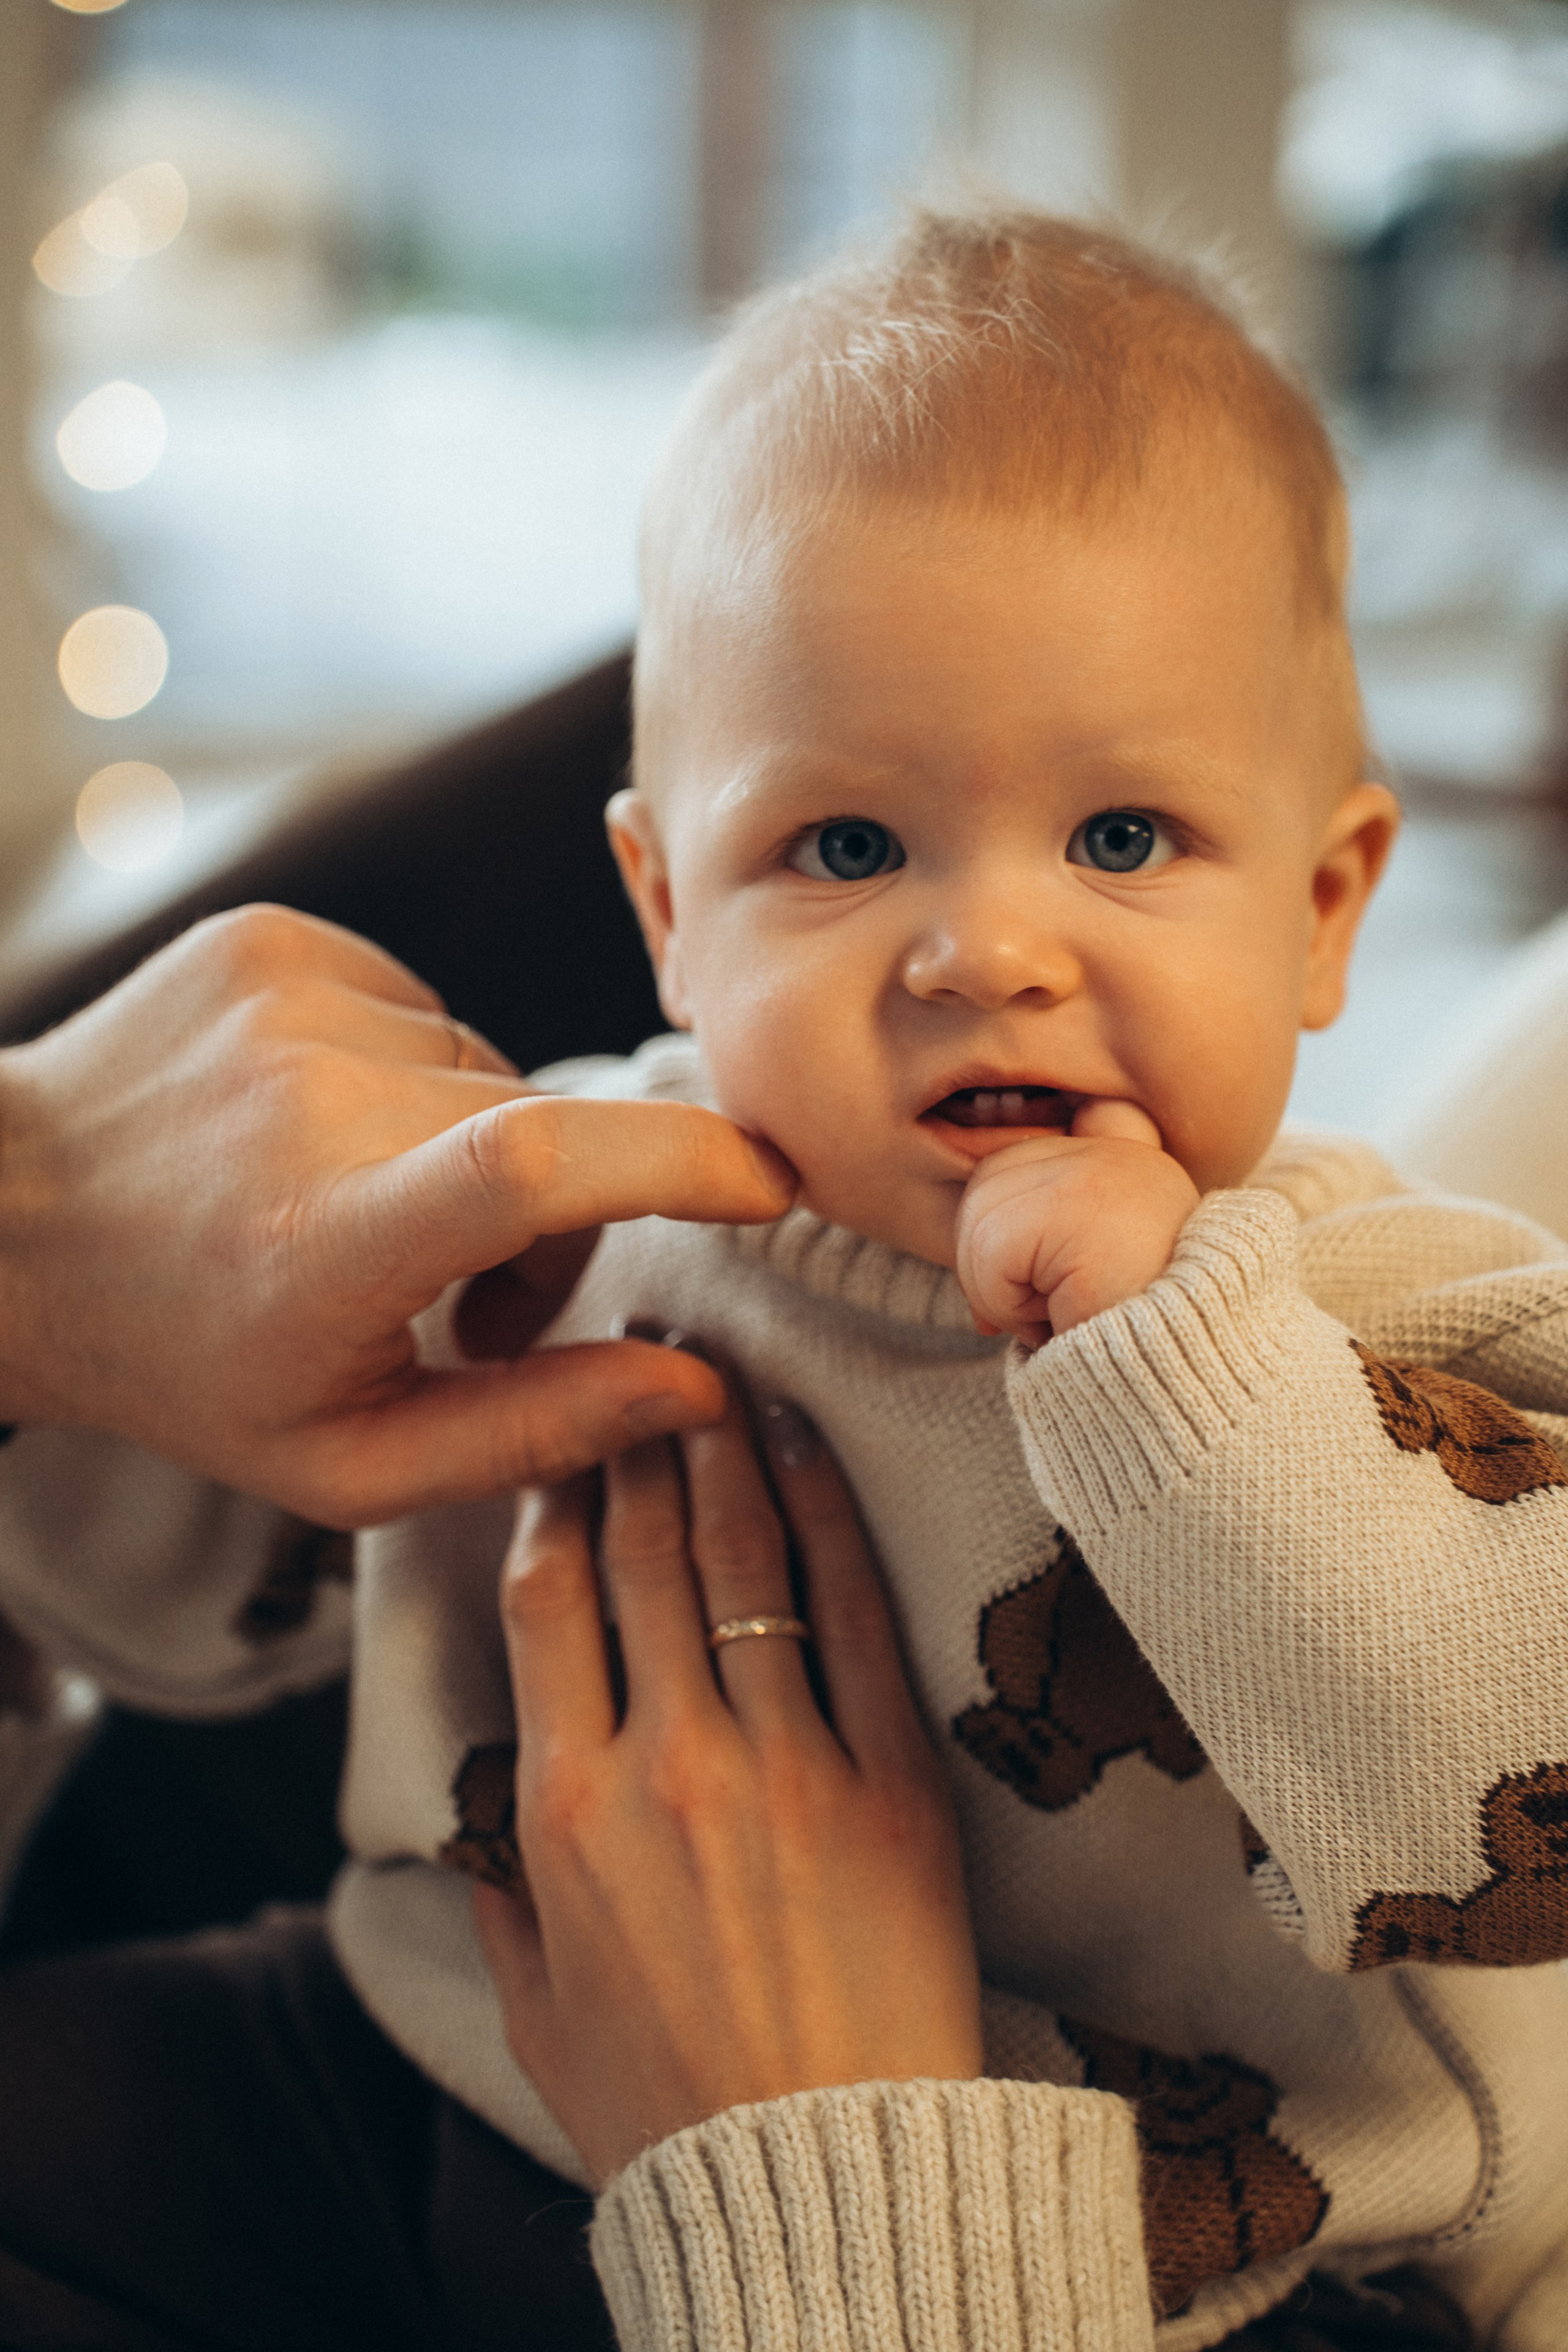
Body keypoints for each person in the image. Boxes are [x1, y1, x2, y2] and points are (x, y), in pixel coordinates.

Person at [1, 203, 1562, 2352]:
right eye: (844, 848)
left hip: (1175, 2243)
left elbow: (1513, 1796)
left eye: (1122, 840)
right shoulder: (559, 1194)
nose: (983, 951)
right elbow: (174, 1599)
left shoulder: (1374, 1290)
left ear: (1328, 903)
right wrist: (99, 1387)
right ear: (662, 902)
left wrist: (1179, 1361)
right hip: (418, 2057)